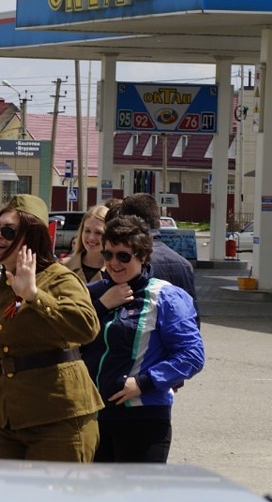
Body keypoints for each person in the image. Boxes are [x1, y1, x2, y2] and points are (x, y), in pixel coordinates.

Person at [0, 194, 103, 462]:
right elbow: (13, 363)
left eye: (9, 231)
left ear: (32, 237)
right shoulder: (4, 285)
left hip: (60, 418)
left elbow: (87, 328)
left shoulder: (59, 278)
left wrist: (35, 295)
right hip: (10, 421)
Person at [82, 215, 205, 463]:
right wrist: (101, 306)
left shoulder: (166, 296)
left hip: (143, 418)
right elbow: (67, 336)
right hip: (93, 417)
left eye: (123, 256)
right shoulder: (92, 292)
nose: (114, 263)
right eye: (108, 255)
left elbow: (192, 355)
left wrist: (143, 382)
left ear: (143, 256)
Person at [107, 193, 199, 325]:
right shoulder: (184, 264)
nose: (114, 261)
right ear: (158, 222)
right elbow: (193, 316)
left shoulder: (132, 262)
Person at [63, 205, 108, 284]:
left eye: (98, 233)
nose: (91, 237)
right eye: (87, 231)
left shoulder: (116, 270)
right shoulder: (64, 266)